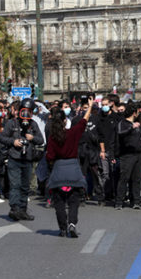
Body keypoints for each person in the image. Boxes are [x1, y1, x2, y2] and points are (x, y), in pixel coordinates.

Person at [46, 99, 93, 238]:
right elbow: (83, 121)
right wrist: (89, 108)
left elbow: (49, 156)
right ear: (65, 121)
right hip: (73, 168)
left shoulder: (53, 138)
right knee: (74, 201)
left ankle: (62, 228)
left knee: (59, 202)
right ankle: (72, 223)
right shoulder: (72, 133)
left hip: (59, 170)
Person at [0, 98, 44, 222]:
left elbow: (41, 140)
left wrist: (32, 138)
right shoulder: (12, 123)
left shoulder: (33, 124)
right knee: (15, 185)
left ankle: (23, 209)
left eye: (29, 112)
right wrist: (13, 141)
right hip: (14, 158)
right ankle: (14, 209)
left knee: (25, 186)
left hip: (28, 159)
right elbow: (2, 138)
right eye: (24, 111)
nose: (26, 115)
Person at [114, 103, 141, 210]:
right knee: (124, 178)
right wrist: (131, 127)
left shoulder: (139, 124)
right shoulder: (123, 123)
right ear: (134, 113)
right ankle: (119, 201)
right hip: (127, 155)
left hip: (138, 154)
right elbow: (120, 133)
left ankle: (136, 201)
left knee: (137, 178)